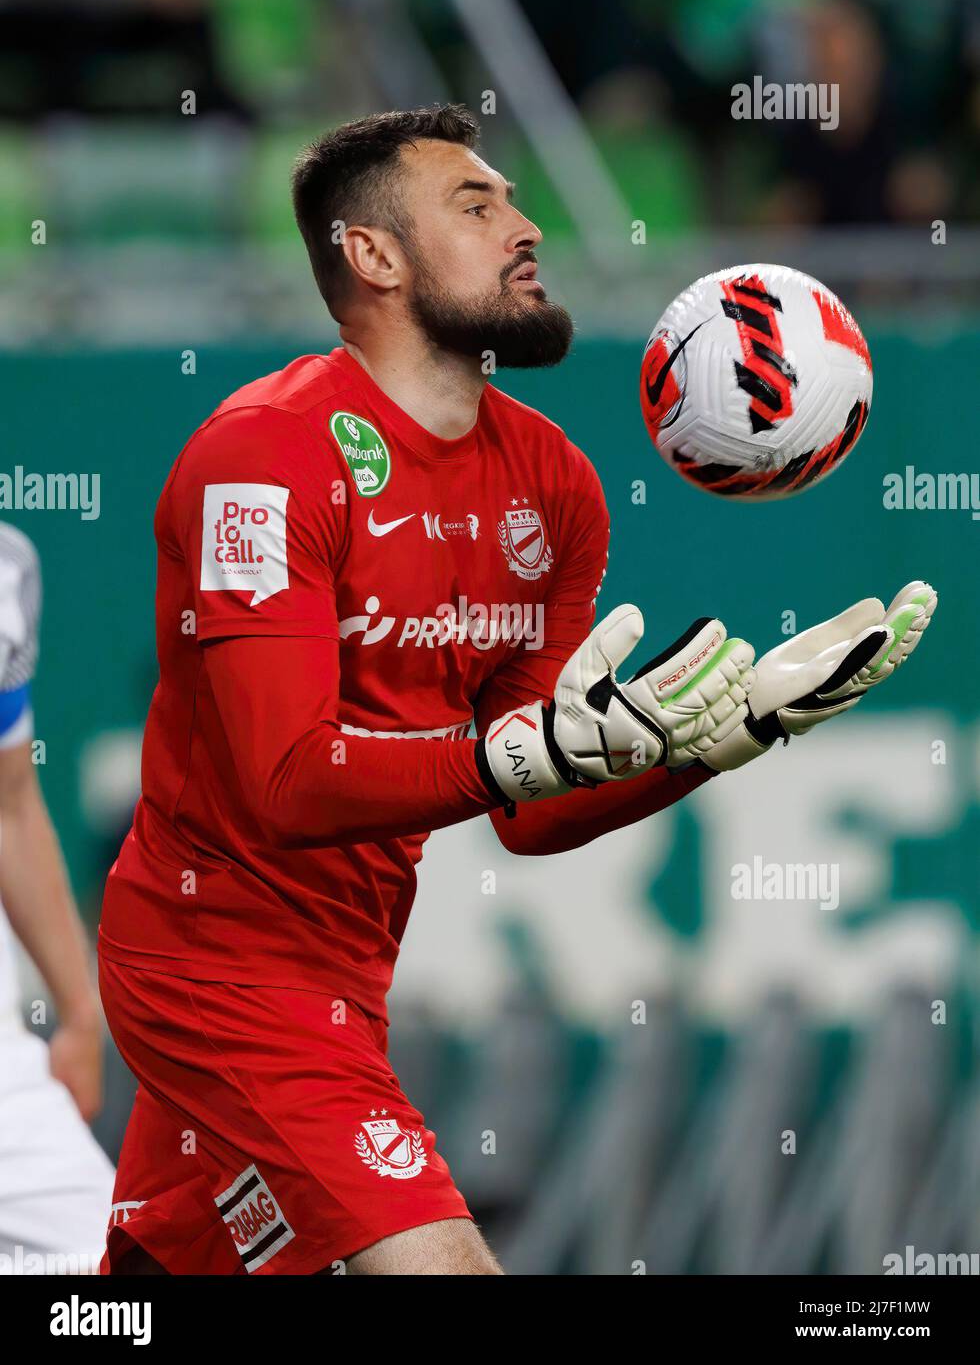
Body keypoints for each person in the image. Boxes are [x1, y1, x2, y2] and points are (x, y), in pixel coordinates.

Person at [98, 105, 935, 1276]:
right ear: (373, 257)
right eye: (475, 205)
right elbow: (286, 781)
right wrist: (509, 756)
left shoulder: (554, 484)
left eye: (512, 199)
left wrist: (722, 736)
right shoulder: (262, 458)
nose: (523, 224)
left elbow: (528, 807)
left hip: (345, 971)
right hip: (213, 968)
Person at [0, 522, 115, 1274]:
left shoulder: (6, 572)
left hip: (7, 1077)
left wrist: (79, 1012)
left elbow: (8, 804)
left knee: (111, 1281)